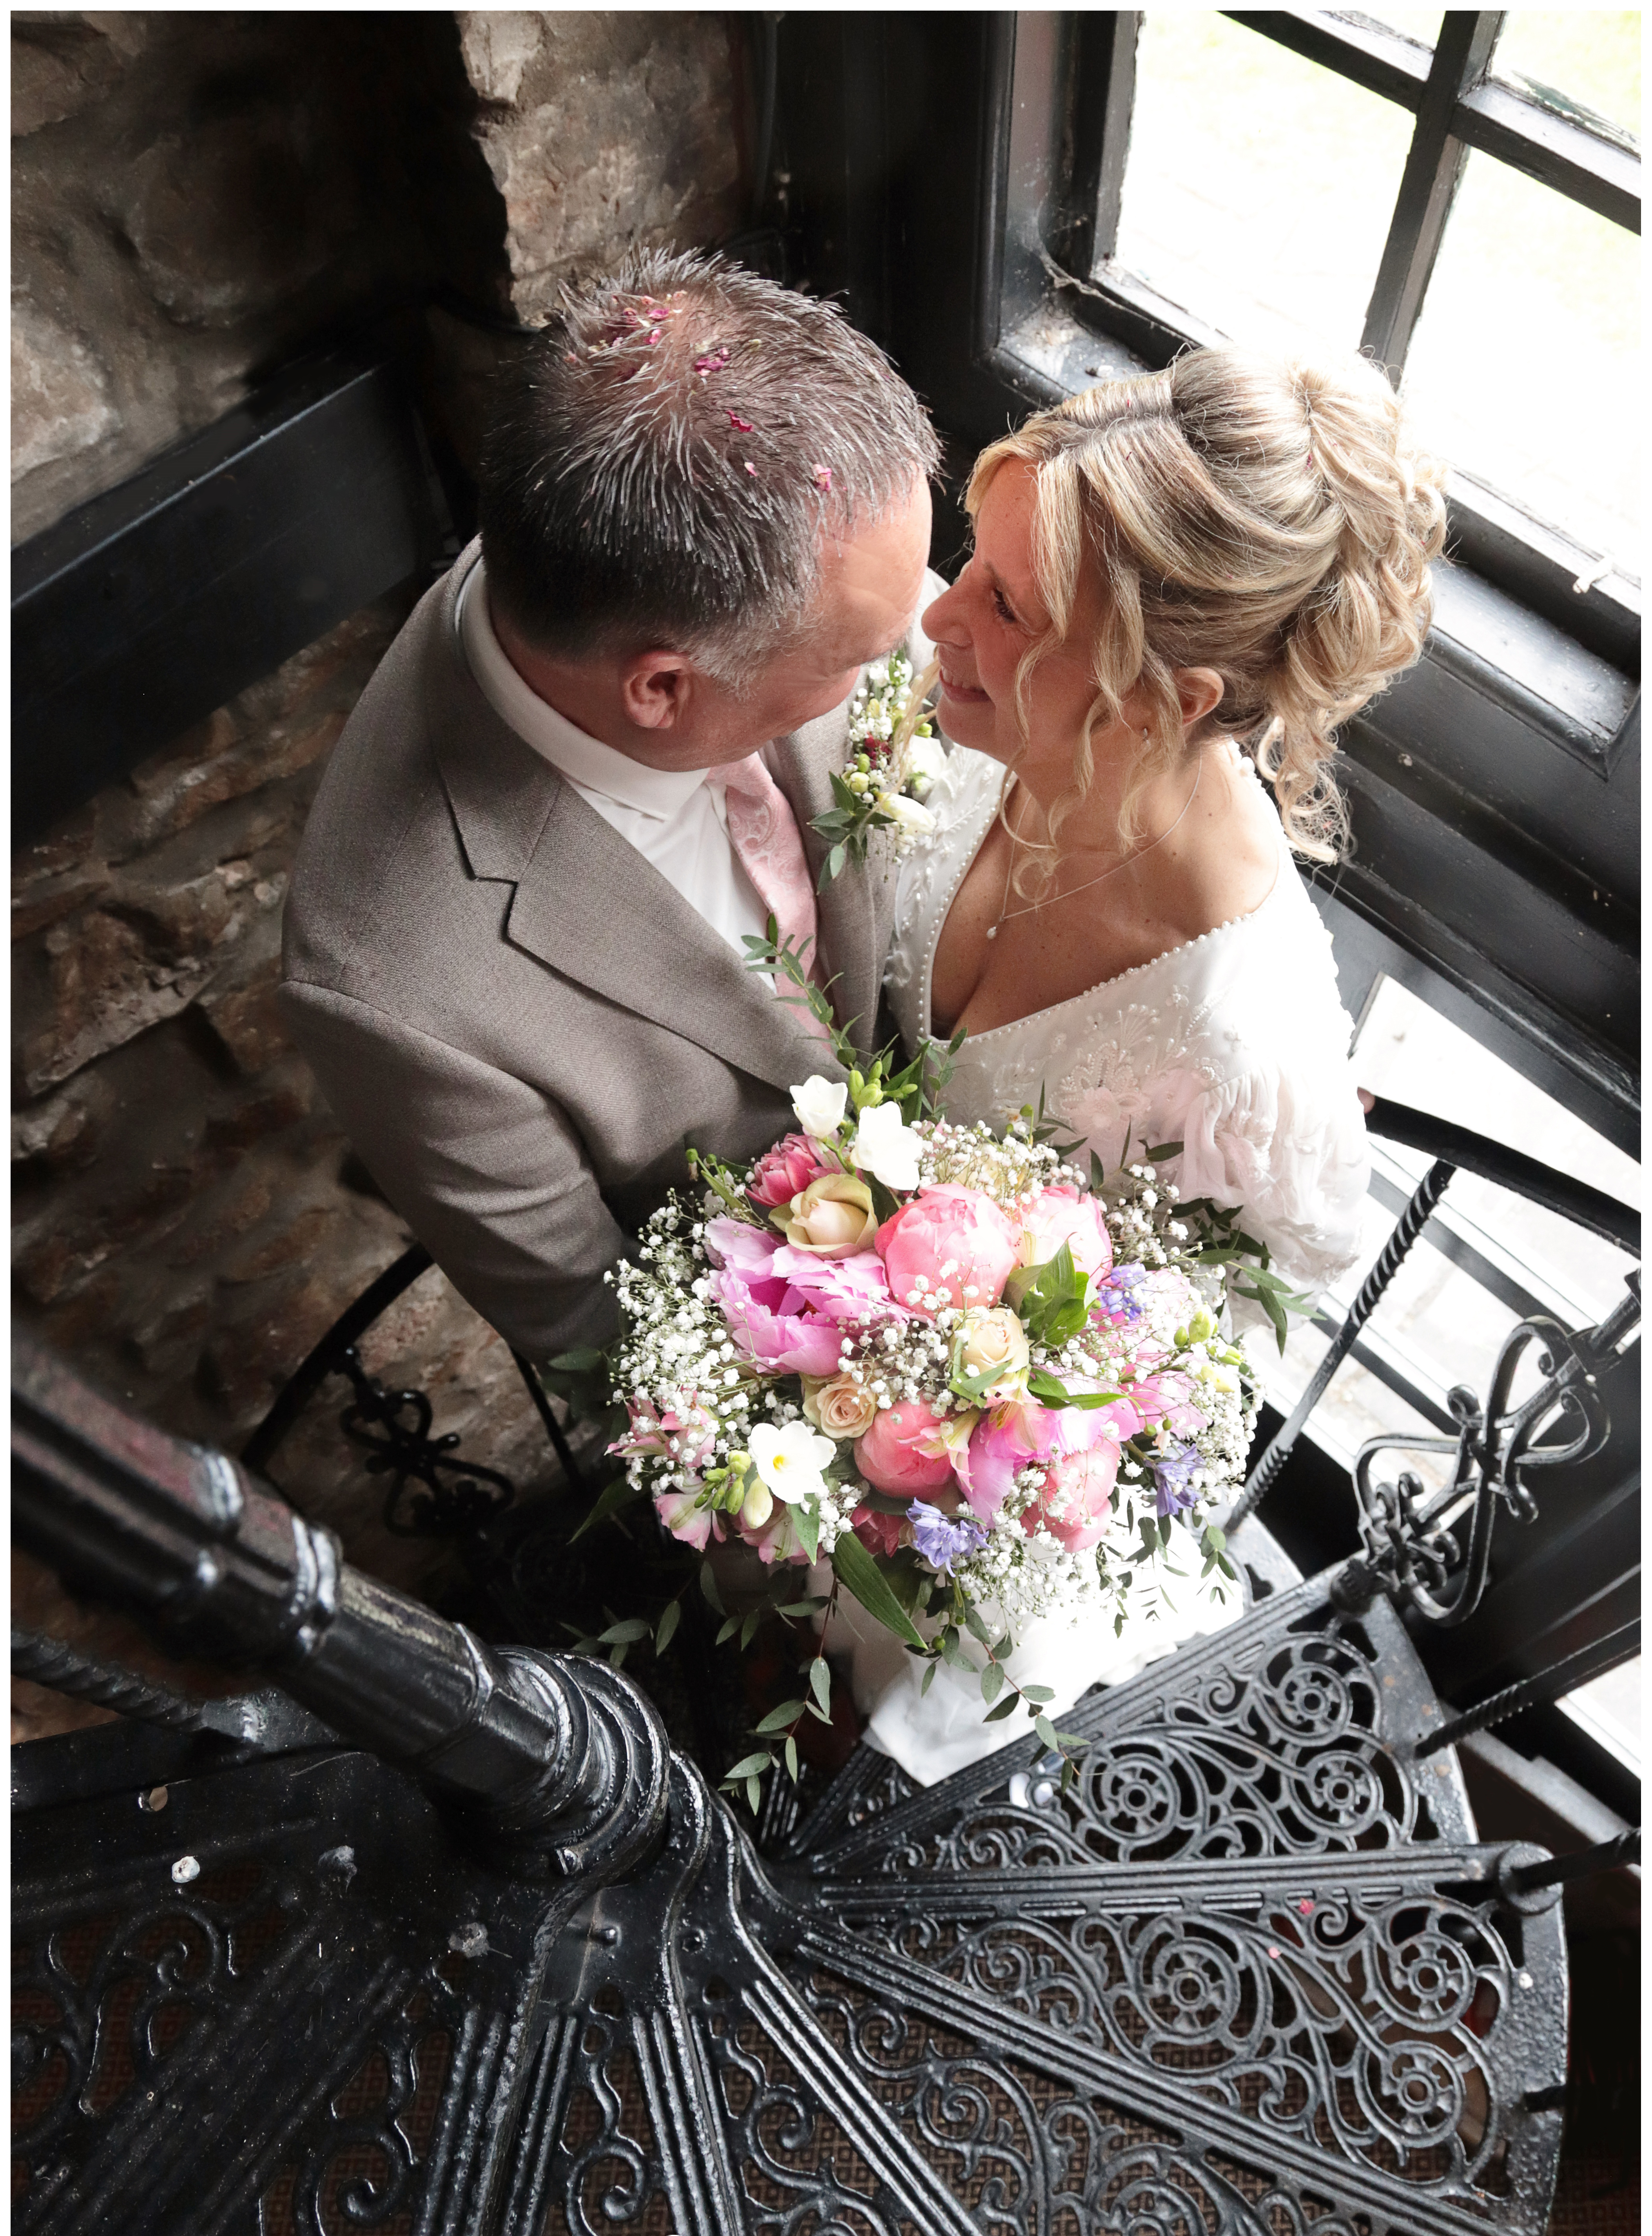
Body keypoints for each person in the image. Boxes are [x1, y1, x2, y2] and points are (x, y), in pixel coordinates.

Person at [844, 345, 1447, 1780]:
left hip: (989, 1518)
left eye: (1002, 607)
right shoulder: (972, 730)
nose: (937, 621)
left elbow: (1194, 1390)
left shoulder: (1241, 1046)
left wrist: (961, 1400)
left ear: (1170, 698)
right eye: (967, 569)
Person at [281, 250, 939, 1362]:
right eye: (866, 655)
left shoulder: (690, 555)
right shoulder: (399, 998)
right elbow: (609, 1353)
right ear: (663, 688)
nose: (924, 639)